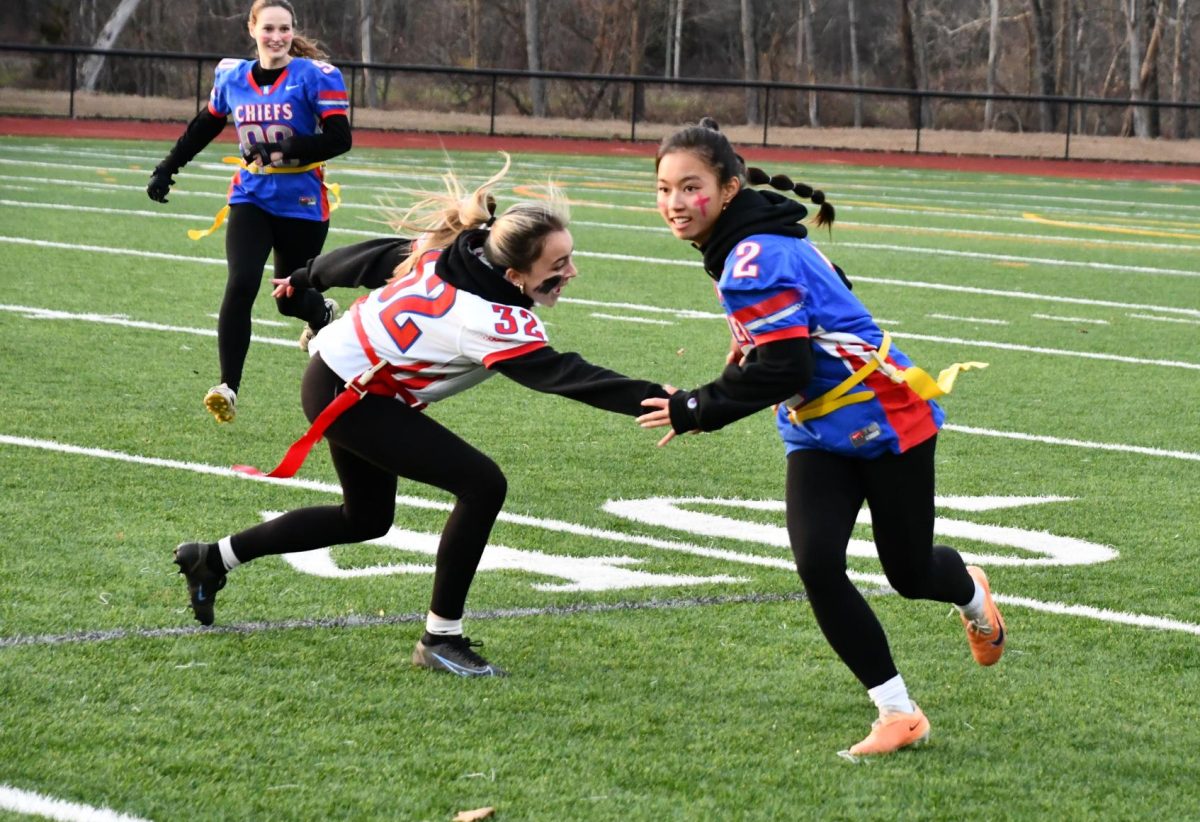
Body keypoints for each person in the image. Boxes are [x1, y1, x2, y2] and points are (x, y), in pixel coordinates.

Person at [173, 156, 670, 677]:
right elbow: (566, 375)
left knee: (365, 518)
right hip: (352, 391)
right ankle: (441, 638)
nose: (571, 272)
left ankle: (214, 558)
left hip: (340, 374)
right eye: (557, 265)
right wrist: (661, 399)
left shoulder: (453, 252)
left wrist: (303, 277)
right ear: (513, 274)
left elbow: (370, 258)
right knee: (483, 485)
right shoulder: (486, 318)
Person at [637, 118, 1004, 756]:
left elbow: (787, 366)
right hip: (815, 427)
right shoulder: (752, 238)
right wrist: (748, 349)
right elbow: (825, 293)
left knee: (910, 574)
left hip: (886, 418)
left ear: (727, 189)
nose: (673, 203)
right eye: (664, 188)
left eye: (688, 187)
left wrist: (697, 406)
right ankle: (897, 712)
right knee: (817, 564)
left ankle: (971, 592)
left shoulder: (752, 253)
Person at [146, 0, 352, 423]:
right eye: (269, 28)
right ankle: (228, 386)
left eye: (285, 29)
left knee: (290, 300)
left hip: (302, 202)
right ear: (252, 29)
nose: (277, 37)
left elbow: (339, 138)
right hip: (251, 196)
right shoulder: (232, 76)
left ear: (293, 32)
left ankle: (321, 312)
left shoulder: (315, 75)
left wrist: (285, 148)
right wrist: (168, 166)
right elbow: (206, 124)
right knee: (241, 281)